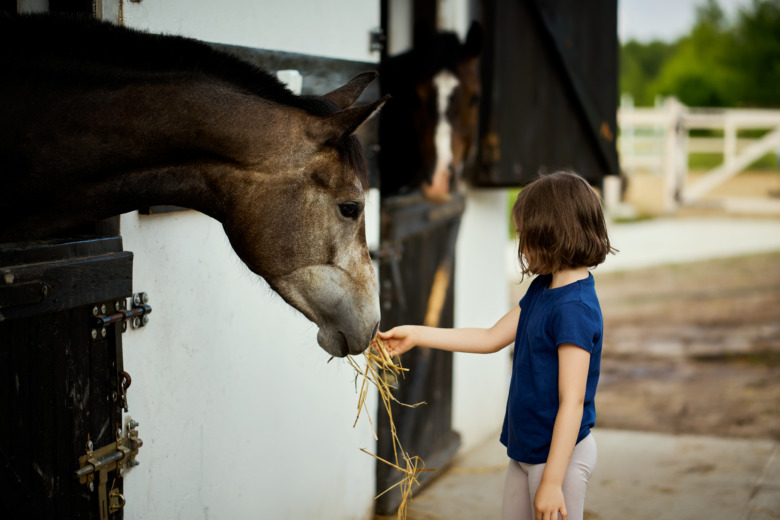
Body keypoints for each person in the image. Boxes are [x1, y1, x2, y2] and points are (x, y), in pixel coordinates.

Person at [377, 170, 615, 520]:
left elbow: (573, 402)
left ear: (551, 234)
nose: (520, 246)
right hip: (525, 451)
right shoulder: (544, 290)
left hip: (557, 459)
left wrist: (552, 481)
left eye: (525, 237)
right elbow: (490, 338)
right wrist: (417, 334)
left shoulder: (574, 310)